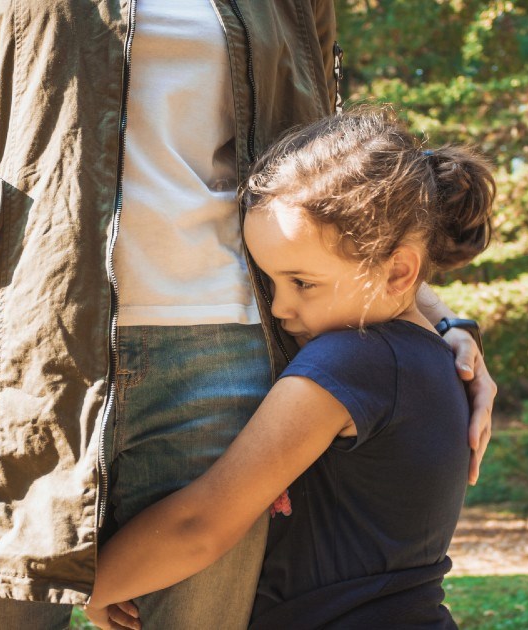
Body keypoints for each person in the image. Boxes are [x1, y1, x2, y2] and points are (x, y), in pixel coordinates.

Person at [0, 1, 497, 627]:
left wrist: (430, 318)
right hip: (16, 364)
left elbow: (338, 190)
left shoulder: (341, 358)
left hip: (236, 366)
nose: (288, 298)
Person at [84, 106, 493, 629]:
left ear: (398, 272)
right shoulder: (432, 357)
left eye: (303, 283)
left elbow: (200, 524)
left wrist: (95, 585)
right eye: (270, 282)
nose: (278, 308)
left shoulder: (351, 360)